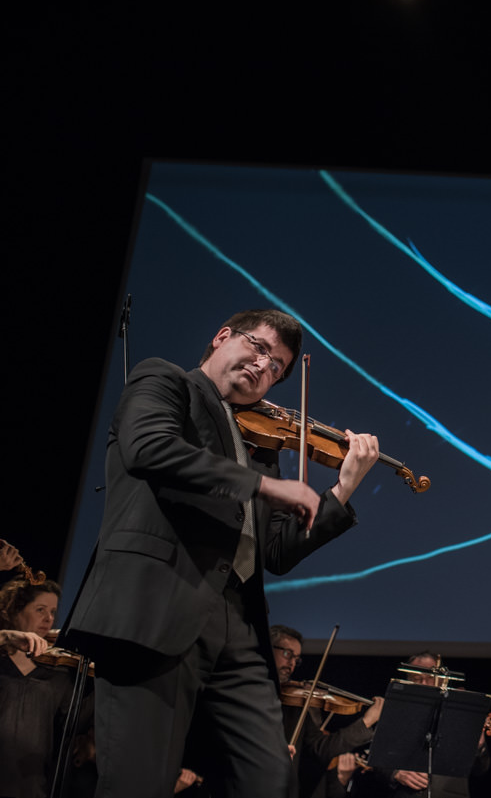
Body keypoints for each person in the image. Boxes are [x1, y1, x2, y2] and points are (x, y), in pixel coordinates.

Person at [62, 309, 380, 798]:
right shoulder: (165, 380)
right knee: (138, 781)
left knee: (270, 778)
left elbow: (275, 552)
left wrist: (342, 489)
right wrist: (264, 486)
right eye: (259, 347)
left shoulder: (260, 444)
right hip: (156, 606)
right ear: (222, 336)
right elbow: (149, 448)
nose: (264, 365)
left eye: (277, 366)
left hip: (238, 624)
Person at [0, 577, 75, 798]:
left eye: (53, 612)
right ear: (14, 611)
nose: (49, 618)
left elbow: (76, 723)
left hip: (26, 788)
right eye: (40, 609)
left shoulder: (59, 671)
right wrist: (5, 636)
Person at [271, 624, 383, 798]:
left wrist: (366, 722)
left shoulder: (296, 704)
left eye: (297, 659)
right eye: (287, 654)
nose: (292, 663)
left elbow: (321, 749)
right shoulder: (245, 692)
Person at [386, 652, 491, 798]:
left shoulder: (460, 710)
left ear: (442, 680)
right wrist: (395, 773)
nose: (423, 683)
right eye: (416, 678)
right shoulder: (396, 712)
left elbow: (480, 769)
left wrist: (479, 746)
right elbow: (377, 760)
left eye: (429, 678)